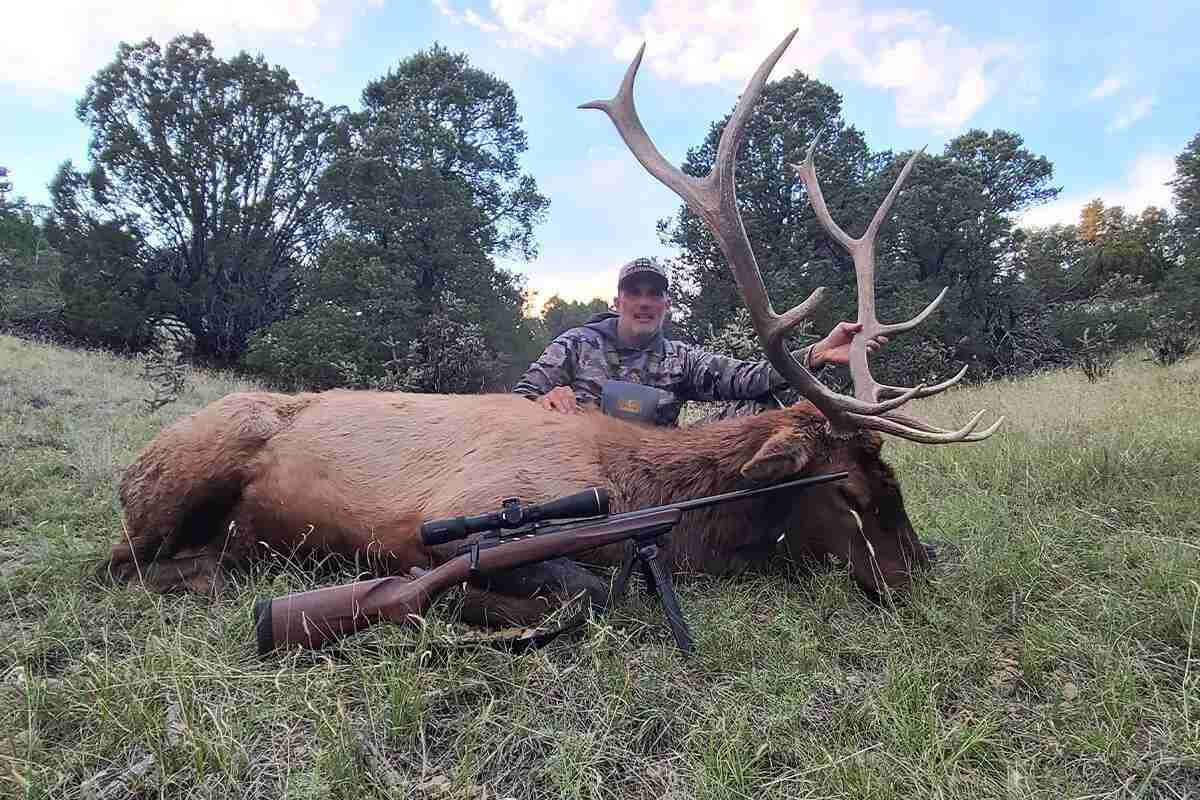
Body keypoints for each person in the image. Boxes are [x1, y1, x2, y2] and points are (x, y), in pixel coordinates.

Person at [513, 257, 888, 426]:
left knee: (763, 407)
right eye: (635, 293)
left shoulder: (680, 359)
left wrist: (818, 352)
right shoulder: (576, 344)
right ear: (618, 302)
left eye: (654, 294)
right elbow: (515, 401)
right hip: (582, 465)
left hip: (656, 470)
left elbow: (750, 378)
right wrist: (542, 400)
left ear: (666, 305)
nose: (644, 302)